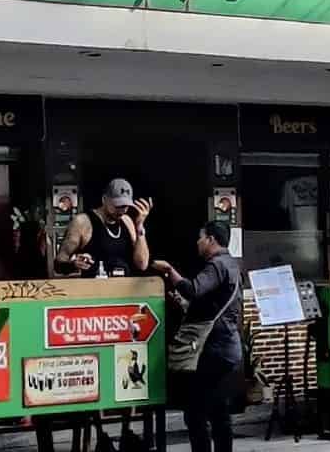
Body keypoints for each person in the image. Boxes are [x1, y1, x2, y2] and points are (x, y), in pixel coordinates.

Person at [152, 221, 241, 452]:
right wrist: (183, 304)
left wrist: (170, 271)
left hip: (213, 349)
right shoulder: (232, 264)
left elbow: (193, 289)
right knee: (219, 409)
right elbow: (209, 304)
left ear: (211, 239)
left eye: (200, 237)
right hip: (228, 347)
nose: (197, 242)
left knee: (195, 412)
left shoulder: (217, 265)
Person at [54, 178, 152, 276]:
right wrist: (74, 264)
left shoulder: (127, 221)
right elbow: (58, 264)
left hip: (122, 288)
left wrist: (139, 229)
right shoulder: (83, 222)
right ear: (104, 199)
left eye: (125, 206)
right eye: (117, 206)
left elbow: (142, 264)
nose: (122, 210)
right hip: (95, 288)